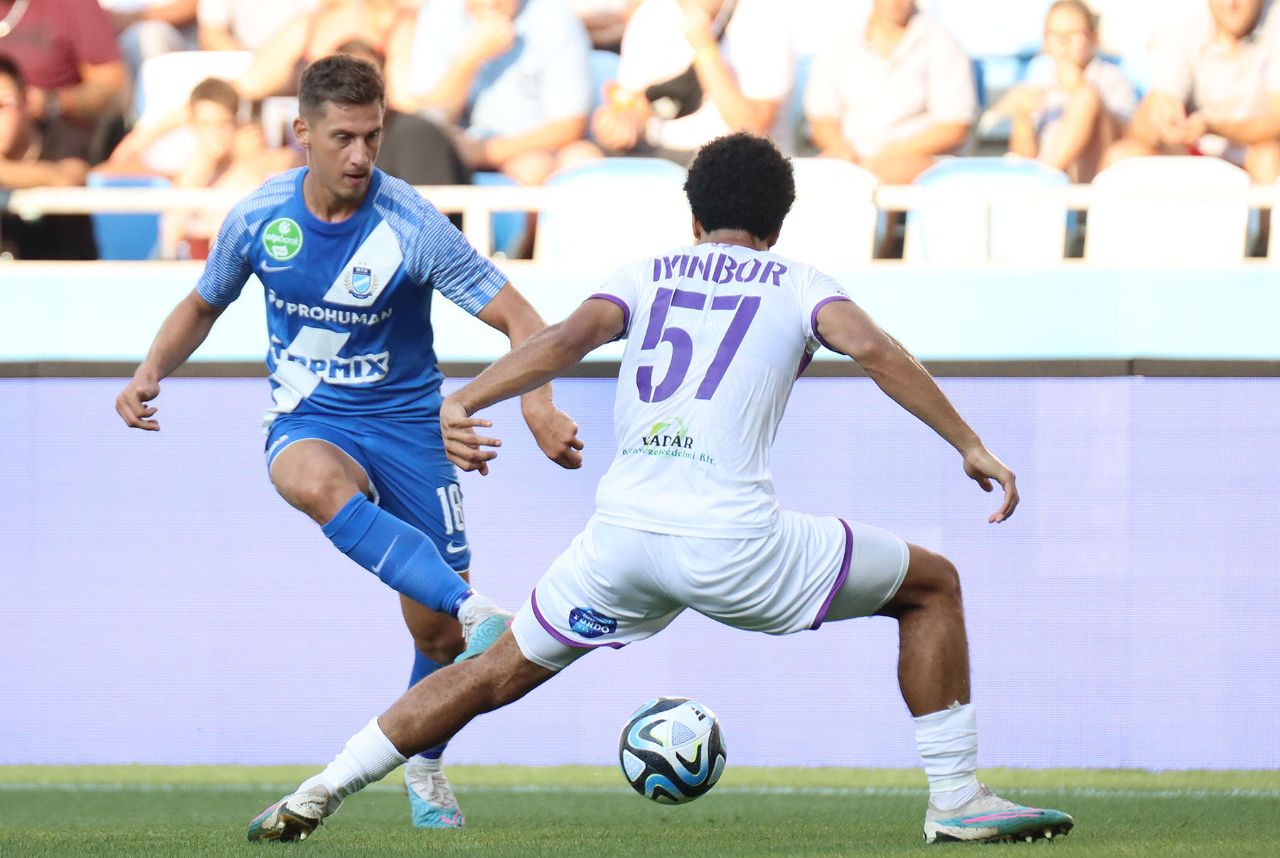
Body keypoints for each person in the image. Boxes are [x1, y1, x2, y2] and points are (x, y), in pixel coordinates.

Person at [244, 132, 1075, 846]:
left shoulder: (643, 275)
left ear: (693, 218)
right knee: (932, 586)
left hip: (622, 543)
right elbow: (878, 351)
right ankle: (957, 800)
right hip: (733, 545)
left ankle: (321, 788)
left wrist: (465, 398)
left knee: (488, 673)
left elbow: (564, 339)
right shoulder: (800, 282)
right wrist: (969, 443)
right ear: (778, 226)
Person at [115, 54, 582, 829]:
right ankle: (477, 609)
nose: (361, 156)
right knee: (310, 481)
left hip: (411, 429)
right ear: (302, 131)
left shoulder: (412, 225)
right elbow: (203, 303)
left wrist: (537, 404)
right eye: (342, 138)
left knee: (436, 639)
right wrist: (149, 370)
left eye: (372, 137)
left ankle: (425, 761)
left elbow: (522, 319)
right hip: (313, 420)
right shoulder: (259, 218)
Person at [385, 0, 592, 187]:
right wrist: (470, 60)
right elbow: (430, 119)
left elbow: (569, 125)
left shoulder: (556, 19)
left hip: (530, 151)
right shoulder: (438, 15)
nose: (491, 3)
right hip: (455, 151)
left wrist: (487, 152)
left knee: (558, 163)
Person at [584, 0, 793, 165]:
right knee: (585, 156)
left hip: (736, 164)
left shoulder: (763, 17)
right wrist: (620, 124)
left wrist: (705, 48)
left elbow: (751, 128)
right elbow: (633, 106)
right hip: (659, 157)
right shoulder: (651, 14)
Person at [1105, 0, 1280, 183]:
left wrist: (1212, 127)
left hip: (1256, 156)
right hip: (1197, 154)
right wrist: (1164, 118)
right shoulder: (1182, 31)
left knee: (1267, 157)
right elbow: (1151, 117)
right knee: (1122, 157)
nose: (1230, 3)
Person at [804, 0, 974, 184]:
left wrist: (887, 156)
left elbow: (954, 126)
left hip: (916, 159)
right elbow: (821, 118)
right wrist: (843, 152)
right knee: (816, 179)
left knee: (887, 175)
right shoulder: (840, 42)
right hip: (852, 158)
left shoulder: (943, 43)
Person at [986, 1, 1135, 183]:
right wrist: (1023, 119)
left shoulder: (1111, 77)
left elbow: (1126, 138)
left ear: (1093, 38)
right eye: (1055, 35)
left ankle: (1046, 179)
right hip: (1050, 179)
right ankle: (1046, 180)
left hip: (1092, 175)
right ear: (1045, 41)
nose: (1064, 42)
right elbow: (1023, 156)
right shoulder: (1039, 81)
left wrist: (1080, 88)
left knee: (1086, 96)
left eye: (1073, 34)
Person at [0, 54, 97, 260]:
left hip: (64, 274)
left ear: (27, 102)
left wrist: (6, 171)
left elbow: (68, 178)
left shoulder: (63, 136)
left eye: (2, 105)